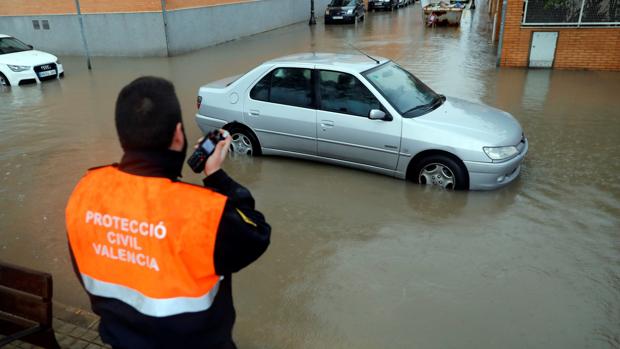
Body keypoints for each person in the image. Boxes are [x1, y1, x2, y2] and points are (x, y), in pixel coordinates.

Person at [65, 76, 271, 349]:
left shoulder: (84, 191)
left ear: (123, 135)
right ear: (177, 135)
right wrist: (216, 176)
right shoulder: (203, 212)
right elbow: (256, 233)